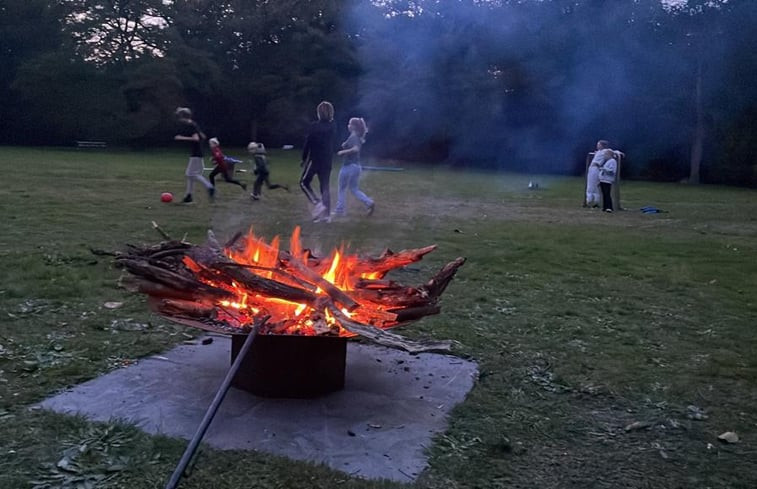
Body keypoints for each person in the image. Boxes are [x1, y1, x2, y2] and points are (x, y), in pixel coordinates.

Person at [299, 101, 336, 222]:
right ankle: (327, 216)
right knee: (324, 187)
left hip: (315, 160)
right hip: (327, 161)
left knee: (304, 183)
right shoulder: (333, 126)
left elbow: (308, 144)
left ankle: (317, 203)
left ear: (319, 113)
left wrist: (304, 158)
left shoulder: (314, 126)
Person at [334, 117, 374, 217]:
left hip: (348, 166)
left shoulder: (353, 137)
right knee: (354, 189)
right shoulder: (356, 137)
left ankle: (339, 210)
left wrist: (343, 152)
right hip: (356, 167)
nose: (348, 125)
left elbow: (355, 149)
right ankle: (369, 202)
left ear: (354, 127)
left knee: (342, 188)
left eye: (349, 124)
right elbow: (353, 146)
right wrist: (345, 145)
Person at [174, 107, 214, 203]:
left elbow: (195, 138)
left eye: (180, 116)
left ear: (183, 117)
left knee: (191, 174)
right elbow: (202, 136)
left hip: (196, 153)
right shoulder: (194, 124)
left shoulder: (190, 125)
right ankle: (188, 196)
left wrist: (181, 137)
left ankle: (209, 187)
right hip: (198, 152)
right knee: (192, 175)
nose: (179, 119)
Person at [598, 148, 618, 212]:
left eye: (605, 154)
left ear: (609, 154)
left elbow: (612, 171)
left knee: (607, 194)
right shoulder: (608, 161)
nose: (604, 156)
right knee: (604, 194)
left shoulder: (613, 161)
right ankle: (605, 207)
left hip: (607, 180)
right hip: (603, 180)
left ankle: (609, 207)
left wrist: (604, 169)